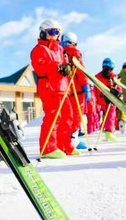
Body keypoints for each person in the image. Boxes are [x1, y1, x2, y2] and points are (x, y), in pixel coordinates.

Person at [30, 19, 76, 159]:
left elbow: (64, 64)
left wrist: (68, 68)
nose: (54, 35)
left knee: (68, 117)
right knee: (53, 117)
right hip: (49, 87)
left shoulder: (60, 49)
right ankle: (48, 148)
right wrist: (57, 66)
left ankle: (64, 146)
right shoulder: (38, 49)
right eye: (51, 32)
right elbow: (39, 67)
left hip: (62, 87)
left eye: (57, 32)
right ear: (43, 32)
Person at [60, 32, 90, 150]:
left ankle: (66, 139)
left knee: (66, 115)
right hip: (77, 89)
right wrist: (85, 85)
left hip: (65, 89)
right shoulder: (74, 52)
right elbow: (80, 70)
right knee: (76, 115)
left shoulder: (59, 52)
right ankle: (74, 140)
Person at [94, 58, 120, 142]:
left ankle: (107, 131)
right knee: (111, 116)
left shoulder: (98, 76)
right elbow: (118, 87)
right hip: (109, 99)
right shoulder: (112, 76)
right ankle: (109, 132)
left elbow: (118, 87)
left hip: (102, 99)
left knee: (107, 115)